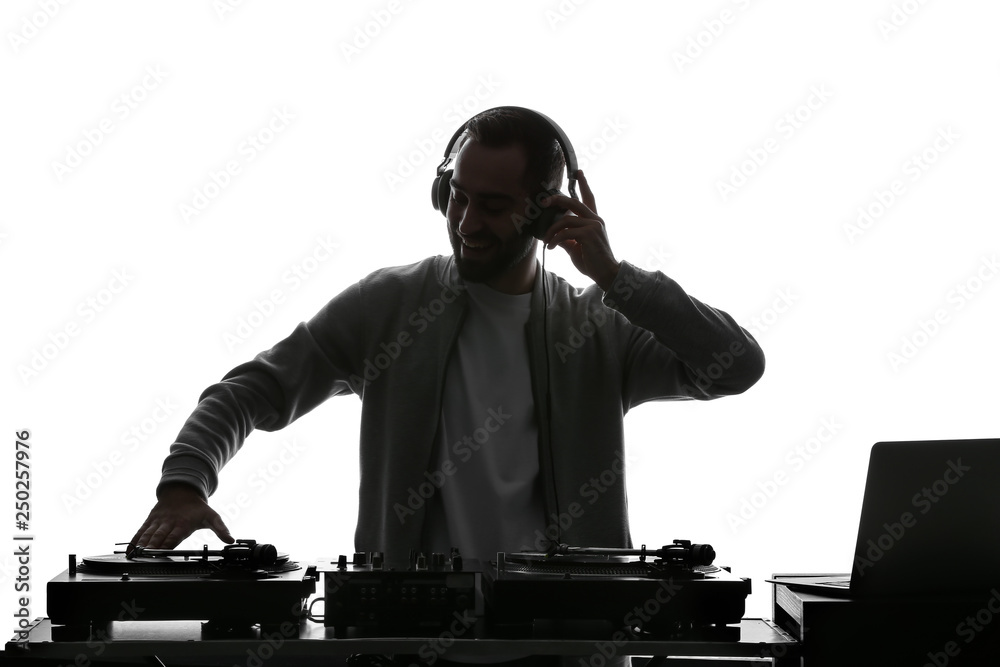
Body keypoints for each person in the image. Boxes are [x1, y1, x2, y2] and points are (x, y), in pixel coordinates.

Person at [129, 107, 765, 565]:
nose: (466, 223)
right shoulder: (387, 307)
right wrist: (186, 482)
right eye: (457, 197)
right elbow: (249, 391)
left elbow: (736, 365)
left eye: (493, 205)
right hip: (412, 645)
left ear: (548, 213)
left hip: (565, 647)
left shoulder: (599, 327)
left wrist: (615, 276)